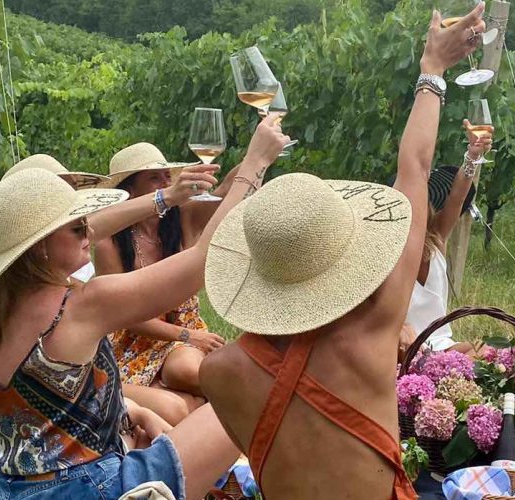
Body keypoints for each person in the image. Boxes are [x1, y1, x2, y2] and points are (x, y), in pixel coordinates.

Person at [197, 7, 485, 499]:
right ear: (344, 257)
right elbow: (414, 170)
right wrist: (432, 70)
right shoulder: (372, 334)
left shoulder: (218, 372)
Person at [0, 116, 289, 500]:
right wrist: (254, 164)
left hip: (7, 488)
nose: (91, 231)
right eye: (77, 228)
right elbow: (204, 259)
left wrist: (167, 197)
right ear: (40, 245)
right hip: (89, 489)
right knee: (245, 391)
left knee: (157, 421)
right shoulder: (84, 304)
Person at [0, 154, 218, 407]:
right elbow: (187, 269)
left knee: (186, 406)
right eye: (65, 205)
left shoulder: (51, 271)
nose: (80, 216)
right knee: (186, 410)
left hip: (50, 408)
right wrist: (166, 197)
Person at [94, 143, 232, 424]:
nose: (166, 184)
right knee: (183, 405)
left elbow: (229, 191)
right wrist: (187, 336)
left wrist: (261, 152)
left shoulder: (184, 219)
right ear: (129, 192)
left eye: (167, 176)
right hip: (136, 343)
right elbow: (123, 318)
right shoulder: (111, 244)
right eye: (154, 178)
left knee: (188, 372)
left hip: (184, 339)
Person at [397, 120, 487, 354]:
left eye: (421, 199)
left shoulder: (436, 236)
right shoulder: (388, 248)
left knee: (490, 352)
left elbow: (457, 197)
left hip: (440, 344)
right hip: (402, 346)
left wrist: (472, 155)